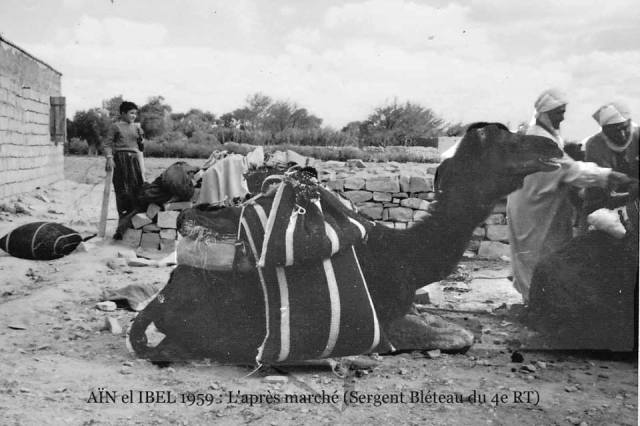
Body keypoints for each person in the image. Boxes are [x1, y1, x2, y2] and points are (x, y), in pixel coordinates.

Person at [506, 89, 631, 303]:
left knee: (541, 254)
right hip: (534, 208)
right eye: (559, 112)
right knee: (537, 254)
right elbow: (568, 169)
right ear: (546, 112)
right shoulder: (539, 137)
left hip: (539, 205)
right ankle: (535, 303)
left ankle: (536, 302)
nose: (563, 117)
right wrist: (609, 175)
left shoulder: (546, 134)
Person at [582, 102, 639, 216]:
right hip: (605, 202)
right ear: (605, 130)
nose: (622, 134)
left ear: (629, 123)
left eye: (625, 128)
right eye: (616, 131)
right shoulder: (594, 145)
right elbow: (606, 179)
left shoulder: (638, 135)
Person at [104, 101, 146, 240]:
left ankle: (133, 227)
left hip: (134, 161)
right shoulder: (115, 126)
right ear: (123, 113)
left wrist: (141, 138)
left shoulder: (137, 127)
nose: (134, 116)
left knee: (137, 192)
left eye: (135, 113)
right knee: (123, 193)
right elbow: (107, 144)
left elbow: (141, 148)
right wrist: (109, 158)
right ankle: (120, 229)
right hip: (120, 161)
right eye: (131, 113)